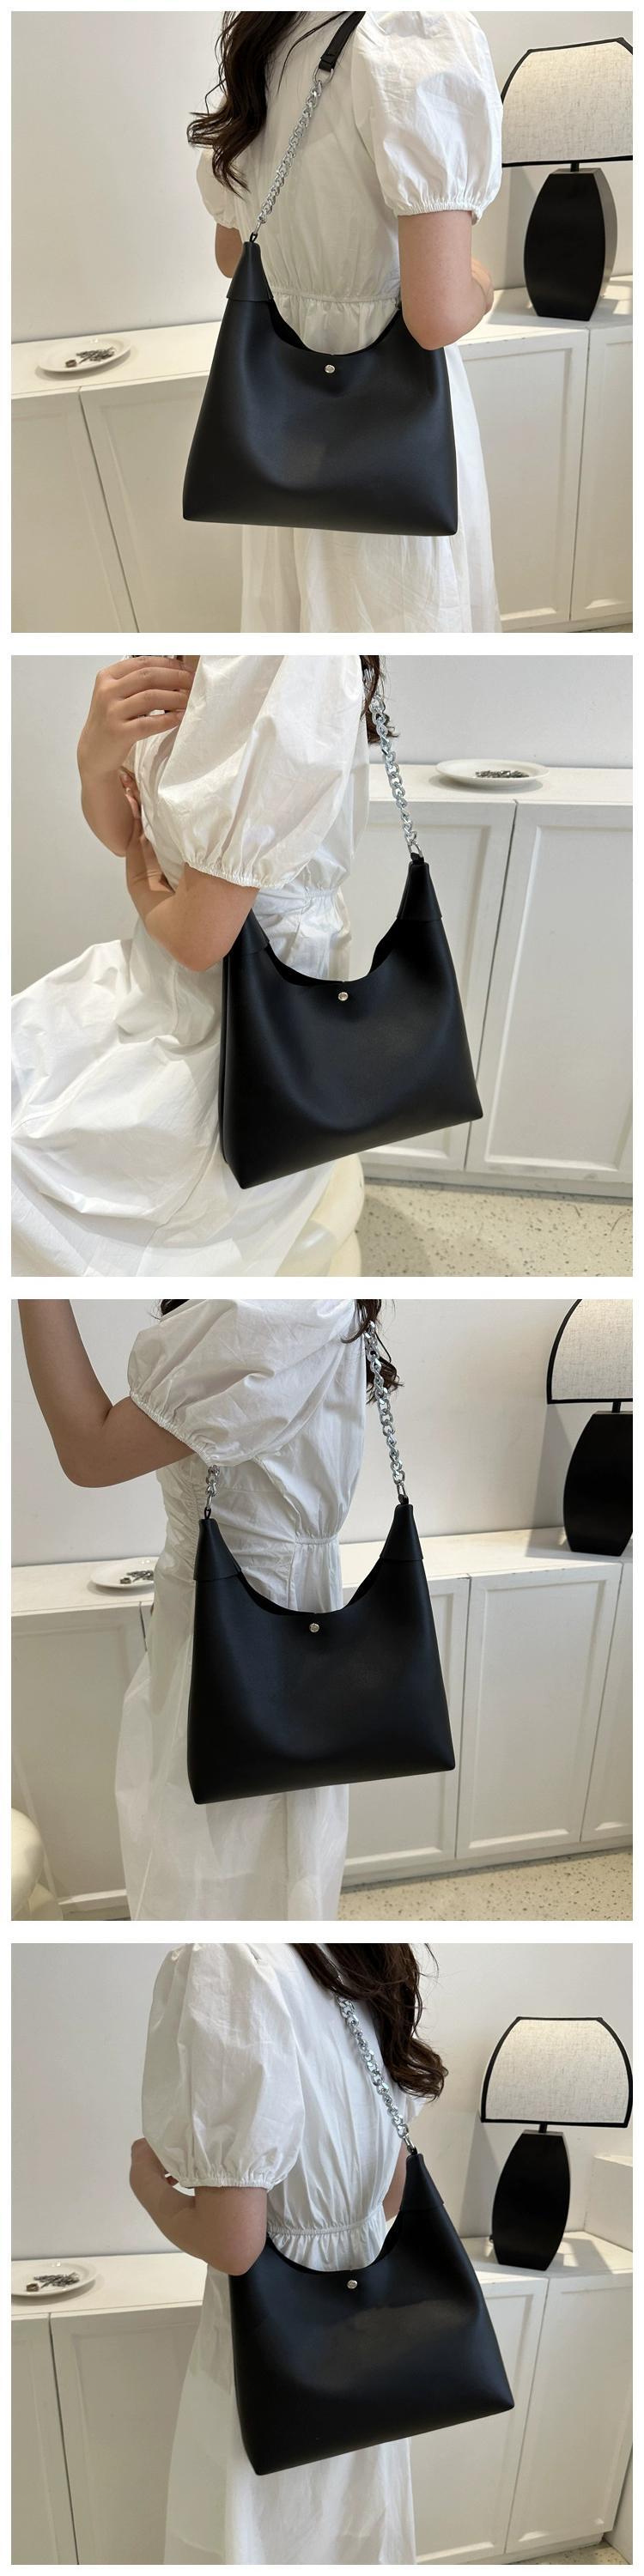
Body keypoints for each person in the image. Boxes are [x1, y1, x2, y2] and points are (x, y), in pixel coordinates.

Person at [17, 1296, 401, 1917]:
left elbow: (90, 1452)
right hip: (242, 1604)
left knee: (222, 1861)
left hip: (245, 1622)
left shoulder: (278, 1309)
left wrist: (34, 1274)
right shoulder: (307, 1302)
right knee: (242, 1853)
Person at [12, 652, 377, 1278]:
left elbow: (198, 936)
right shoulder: (186, 656)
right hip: (159, 984)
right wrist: (95, 763)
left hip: (248, 1036)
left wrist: (141, 885)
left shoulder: (279, 671)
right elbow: (130, 836)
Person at [131, 1940, 447, 2563]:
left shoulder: (230, 1962)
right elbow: (388, 2199)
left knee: (263, 2531)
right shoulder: (365, 1966)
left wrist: (147, 2184)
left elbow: (233, 2243)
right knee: (357, 2532)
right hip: (374, 2352)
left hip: (269, 2343)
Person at [191, 9, 501, 631]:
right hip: (394, 421)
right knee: (397, 614)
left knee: (302, 617)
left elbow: (233, 258)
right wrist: (483, 284)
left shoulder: (269, 35)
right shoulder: (412, 32)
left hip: (278, 435)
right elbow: (436, 316)